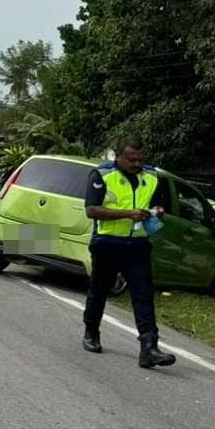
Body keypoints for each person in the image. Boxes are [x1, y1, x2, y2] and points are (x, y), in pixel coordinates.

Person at [82, 137, 176, 368]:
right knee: (100, 290)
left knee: (143, 295)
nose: (136, 163)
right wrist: (127, 214)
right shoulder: (102, 175)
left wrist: (157, 212)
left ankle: (149, 348)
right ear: (118, 156)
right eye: (131, 159)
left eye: (140, 159)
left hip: (138, 245)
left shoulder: (151, 177)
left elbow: (162, 205)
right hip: (108, 242)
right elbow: (91, 210)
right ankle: (91, 332)